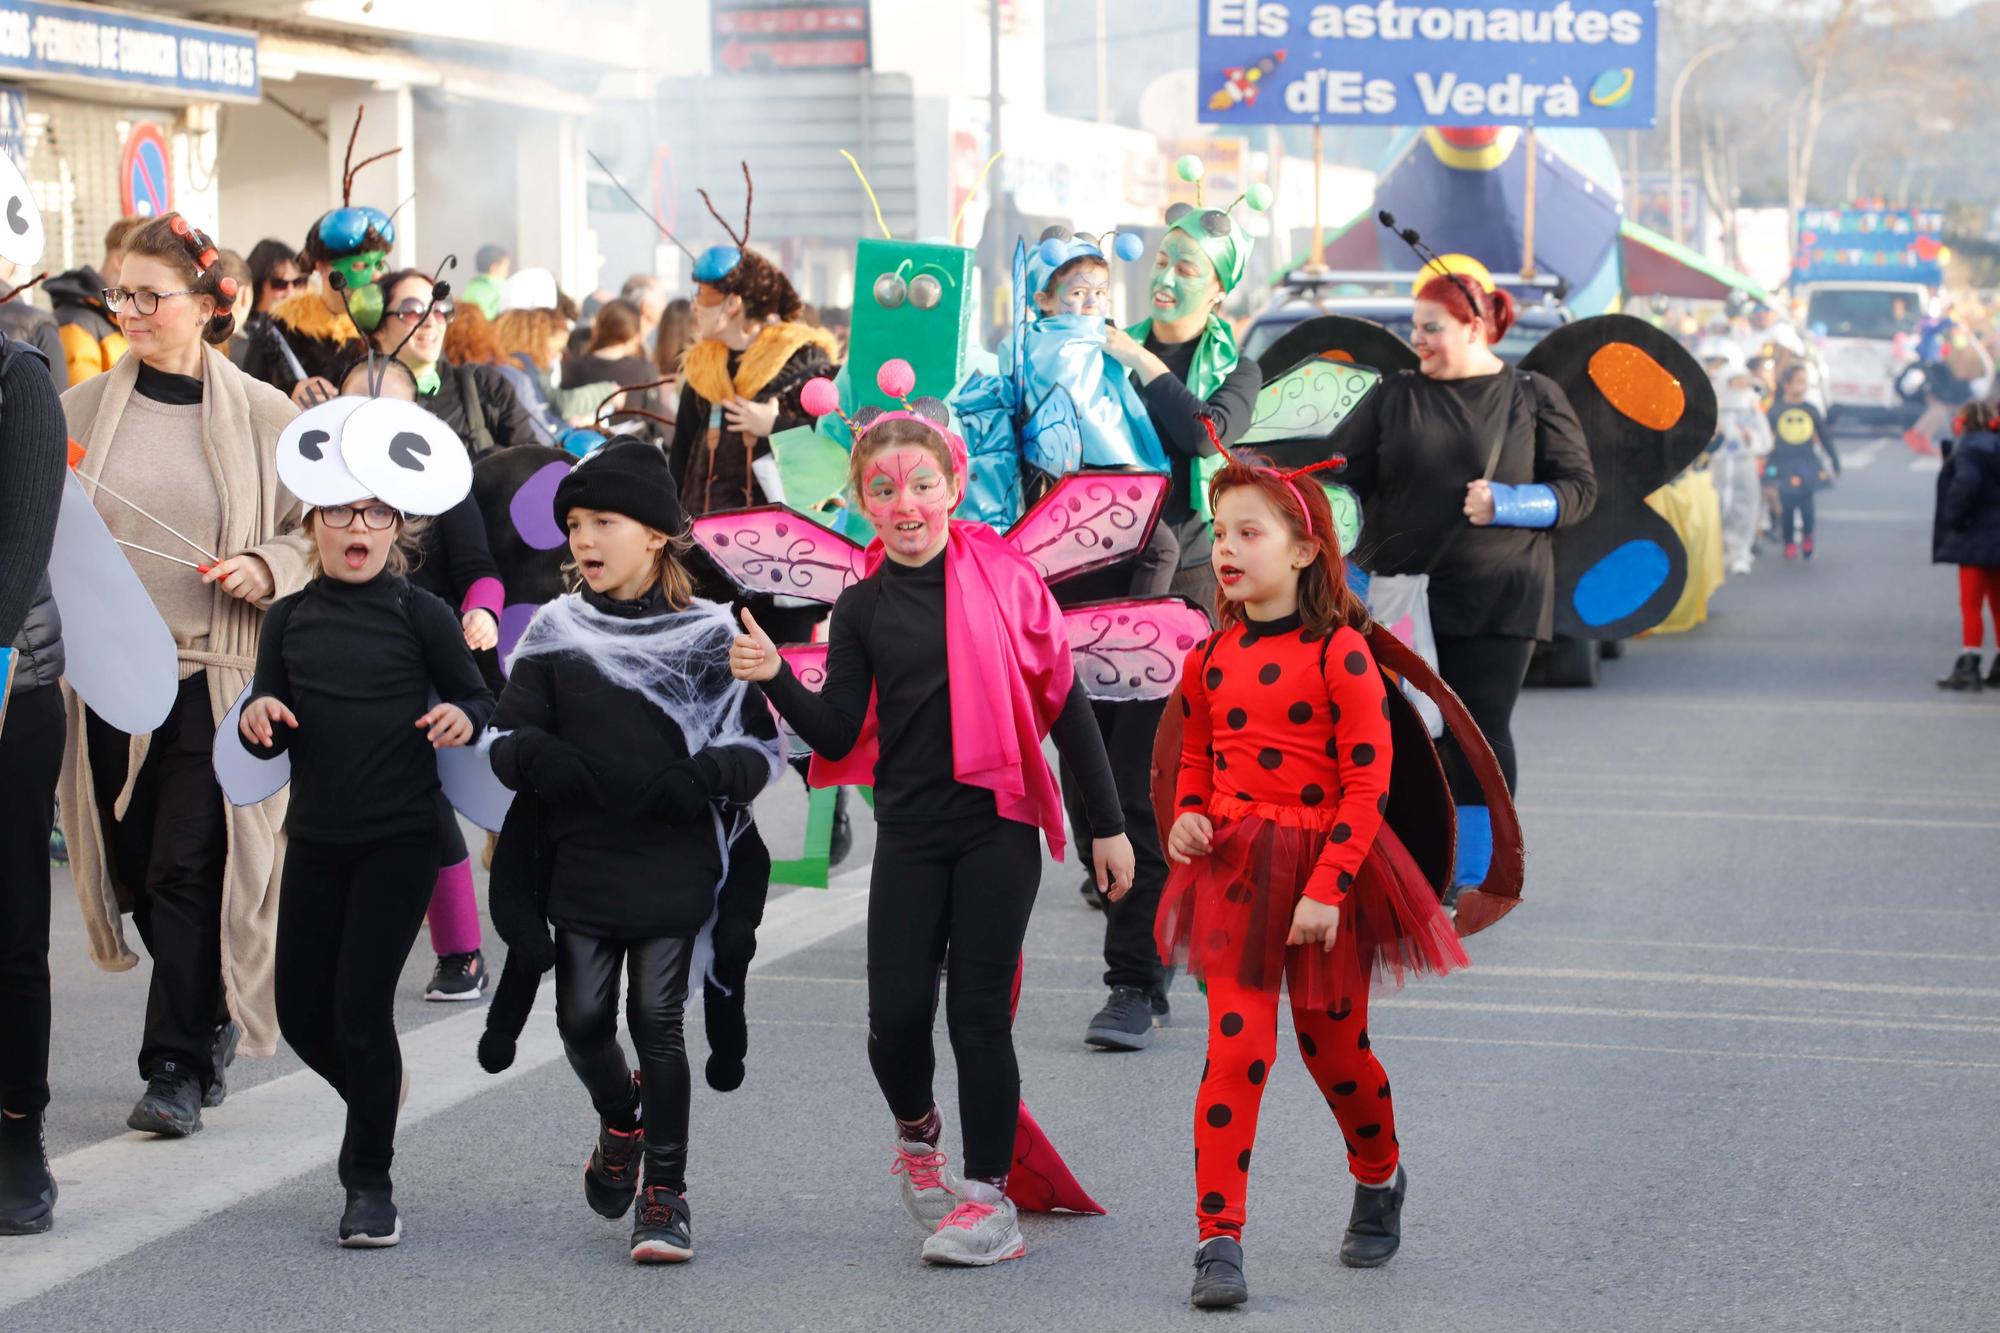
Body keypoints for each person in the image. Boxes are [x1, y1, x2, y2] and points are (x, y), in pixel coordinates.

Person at [730, 410, 1135, 1268]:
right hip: (909, 832)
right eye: (884, 489)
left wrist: (1109, 826)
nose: (905, 503)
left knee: (977, 1014)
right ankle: (919, 1139)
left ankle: (988, 1200)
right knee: (895, 1022)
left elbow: (1066, 704)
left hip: (999, 825)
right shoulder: (862, 607)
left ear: (954, 486)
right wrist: (775, 679)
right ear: (864, 504)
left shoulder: (1008, 581)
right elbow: (838, 735)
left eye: (921, 484)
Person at [1159, 458, 1468, 1309]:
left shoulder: (1344, 657)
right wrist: (1188, 816)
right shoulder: (1210, 655)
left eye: (1248, 533)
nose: (1227, 549)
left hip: (1331, 876)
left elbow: (1369, 785)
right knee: (1237, 1049)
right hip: (1234, 872)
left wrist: (1329, 886)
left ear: (1304, 550)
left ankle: (1379, 1172)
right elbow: (1192, 758)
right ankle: (1217, 1238)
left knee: (1333, 1050)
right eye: (1220, 535)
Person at [491, 442, 782, 1264]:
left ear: (655, 535)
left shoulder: (710, 632)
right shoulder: (555, 628)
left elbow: (761, 750)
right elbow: (507, 737)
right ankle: (622, 1118)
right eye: (575, 524)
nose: (583, 538)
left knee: (657, 1020)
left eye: (602, 522)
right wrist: (541, 759)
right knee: (583, 1021)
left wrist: (708, 774)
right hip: (583, 856)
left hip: (676, 858)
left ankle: (666, 1193)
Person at [59, 213, 311, 1137]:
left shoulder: (265, 414)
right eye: (119, 292)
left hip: (216, 676)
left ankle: (170, 1063)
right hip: (103, 679)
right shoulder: (80, 410)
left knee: (186, 862)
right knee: (131, 870)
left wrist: (268, 566)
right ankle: (197, 1019)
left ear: (209, 308)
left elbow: (314, 532)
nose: (129, 310)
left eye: (149, 296)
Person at [239, 491, 493, 1247]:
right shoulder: (286, 618)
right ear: (312, 525)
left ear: (398, 528)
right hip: (315, 836)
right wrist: (258, 720)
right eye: (341, 513)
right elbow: (265, 719)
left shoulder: (424, 613)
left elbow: (479, 695)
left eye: (376, 514)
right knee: (301, 1012)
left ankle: (368, 1183)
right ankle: (376, 1092)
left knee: (358, 1010)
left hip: (401, 838)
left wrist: (465, 717)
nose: (358, 527)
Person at [1067, 183, 1269, 1052]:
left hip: (1177, 585)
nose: (1168, 277)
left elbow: (1204, 440)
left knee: (1139, 785)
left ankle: (1133, 981)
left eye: (1188, 267)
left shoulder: (1230, 368)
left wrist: (1138, 363)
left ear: (1218, 289)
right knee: (1088, 785)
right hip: (1085, 578)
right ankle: (1154, 942)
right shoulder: (1093, 349)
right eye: (1162, 262)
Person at [1337, 272, 1597, 900]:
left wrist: (1512, 502)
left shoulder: (1532, 396)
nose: (1416, 339)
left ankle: (1474, 871)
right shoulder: (1393, 396)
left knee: (1477, 729)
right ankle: (1418, 857)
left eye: (1432, 327)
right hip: (1401, 598)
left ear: (1477, 328)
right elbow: (1341, 483)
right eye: (1414, 325)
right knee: (1407, 732)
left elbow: (1580, 491)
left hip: (1499, 594)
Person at [337, 354, 505, 1000]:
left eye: (390, 407)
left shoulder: (443, 482)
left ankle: (461, 951)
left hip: (420, 664)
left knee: (423, 802)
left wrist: (482, 612)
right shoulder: (316, 485)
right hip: (333, 658)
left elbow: (480, 568)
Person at [0, 334, 77, 1236]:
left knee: (11, 929)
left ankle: (20, 1131)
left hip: (9, 693)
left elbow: (21, 542)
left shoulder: (16, 378)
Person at [666, 244, 837, 522]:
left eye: (705, 295)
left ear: (733, 304)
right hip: (699, 544)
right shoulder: (702, 372)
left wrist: (775, 426)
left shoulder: (805, 368)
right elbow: (679, 465)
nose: (695, 305)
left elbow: (840, 443)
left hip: (782, 545)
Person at [367, 269, 541, 456]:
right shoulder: (358, 397)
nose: (431, 321)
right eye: (412, 310)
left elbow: (537, 467)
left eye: (441, 309)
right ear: (378, 328)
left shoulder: (485, 386)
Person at [1933, 398, 2000, 691]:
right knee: (1998, 603)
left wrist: (1954, 517)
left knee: (1971, 604)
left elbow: (1965, 486)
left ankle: (1969, 662)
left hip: (1974, 536)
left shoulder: (1969, 448)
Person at [1700, 338, 1773, 576]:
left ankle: (1742, 552)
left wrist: (1751, 439)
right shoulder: (1714, 411)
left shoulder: (1750, 410)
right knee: (1719, 506)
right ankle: (1719, 551)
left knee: (1746, 506)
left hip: (1744, 464)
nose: (1739, 387)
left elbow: (1766, 440)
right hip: (1719, 466)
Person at [47, 216, 143, 385]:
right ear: (120, 261)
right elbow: (80, 404)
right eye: (146, 263)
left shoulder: (115, 317)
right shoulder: (75, 323)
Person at [1766, 363, 1840, 560]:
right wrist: (1766, 466)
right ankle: (1789, 541)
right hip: (1783, 463)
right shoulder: (1775, 411)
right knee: (1787, 505)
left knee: (1807, 504)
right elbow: (1766, 440)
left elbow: (1825, 437)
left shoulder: (1811, 410)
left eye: (1805, 382)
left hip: (1807, 463)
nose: (1803, 386)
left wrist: (1835, 461)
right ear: (1786, 384)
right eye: (1799, 382)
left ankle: (1808, 535)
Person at [563, 298, 663, 418]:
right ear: (634, 333)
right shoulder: (646, 371)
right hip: (630, 436)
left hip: (583, 435)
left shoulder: (574, 366)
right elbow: (654, 421)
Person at [233, 238, 306, 370]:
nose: (291, 292)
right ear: (257, 287)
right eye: (280, 284)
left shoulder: (308, 339)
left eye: (298, 282)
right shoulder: (240, 344)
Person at [461, 243, 512, 321]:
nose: (507, 272)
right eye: (506, 267)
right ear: (494, 267)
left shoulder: (470, 287)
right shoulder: (502, 288)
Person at [621, 274, 666, 349]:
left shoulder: (629, 345)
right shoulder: (631, 350)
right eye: (661, 298)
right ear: (645, 306)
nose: (665, 304)